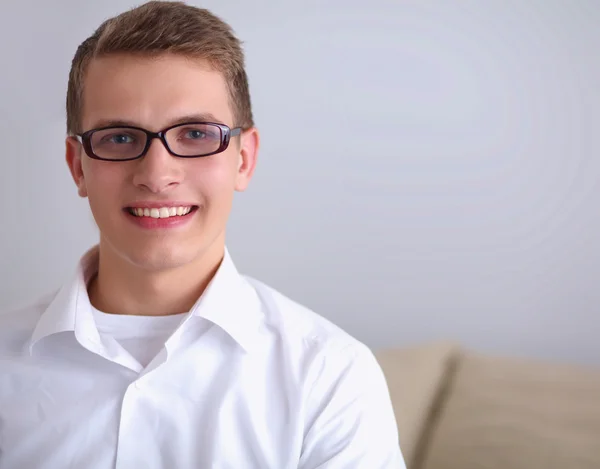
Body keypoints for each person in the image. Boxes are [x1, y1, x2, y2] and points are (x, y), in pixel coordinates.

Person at [0, 2, 405, 468]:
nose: (156, 174)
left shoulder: (329, 375)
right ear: (78, 167)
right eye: (120, 138)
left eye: (195, 133)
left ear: (244, 159)